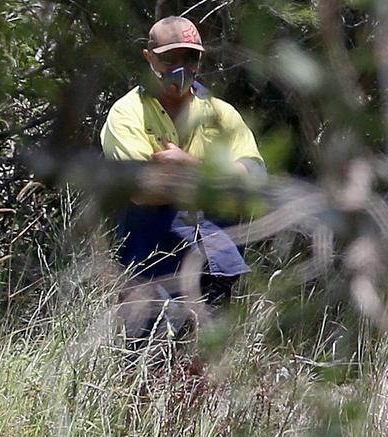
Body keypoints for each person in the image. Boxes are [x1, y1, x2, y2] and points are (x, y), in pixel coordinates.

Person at [100, 16, 267, 340]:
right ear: (149, 57)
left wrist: (188, 165)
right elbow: (142, 189)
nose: (181, 67)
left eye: (190, 57)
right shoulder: (127, 113)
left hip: (216, 265)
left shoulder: (222, 114)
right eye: (168, 58)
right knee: (147, 367)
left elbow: (256, 179)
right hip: (152, 264)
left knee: (206, 372)